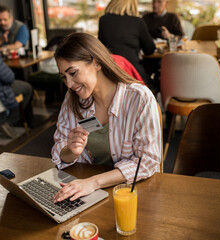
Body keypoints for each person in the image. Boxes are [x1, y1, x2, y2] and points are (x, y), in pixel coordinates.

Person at [52, 33, 161, 203]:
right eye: (64, 77)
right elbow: (60, 147)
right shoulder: (72, 99)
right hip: (85, 190)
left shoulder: (139, 98)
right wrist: (71, 151)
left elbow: (147, 162)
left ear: (96, 62)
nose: (69, 84)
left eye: (73, 73)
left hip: (131, 192)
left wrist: (93, 183)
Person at [98, 0, 155, 83]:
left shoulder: (103, 20)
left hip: (109, 73)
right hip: (132, 74)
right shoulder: (137, 22)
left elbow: (101, 47)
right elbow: (150, 49)